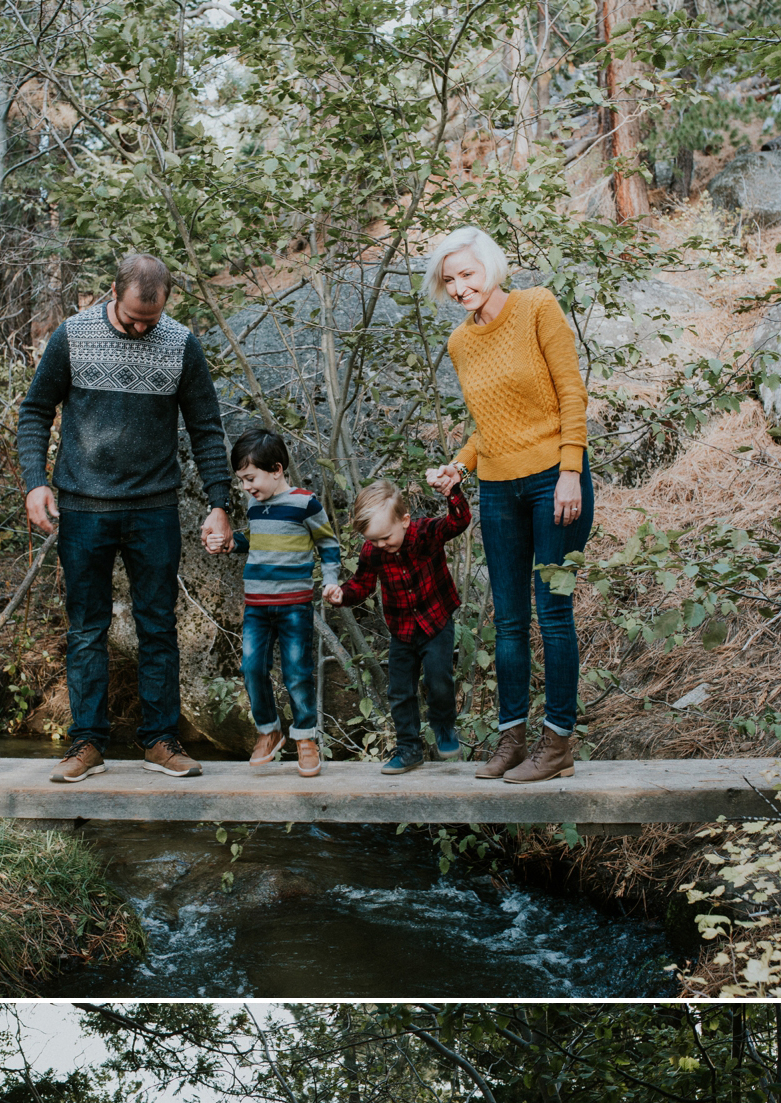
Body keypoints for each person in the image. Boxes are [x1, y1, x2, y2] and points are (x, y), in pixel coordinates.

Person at [16, 248, 233, 782]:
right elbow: (35, 411)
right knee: (87, 628)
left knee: (157, 626)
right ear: (112, 293)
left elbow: (206, 427)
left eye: (151, 319)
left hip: (153, 508)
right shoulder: (73, 335)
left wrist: (220, 503)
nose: (141, 328)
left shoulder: (181, 344)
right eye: (135, 317)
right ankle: (86, 744)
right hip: (83, 508)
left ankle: (160, 740)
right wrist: (35, 483)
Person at [420, 224, 593, 787]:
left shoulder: (537, 306)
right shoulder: (460, 343)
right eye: (450, 280)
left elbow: (571, 392)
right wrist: (460, 464)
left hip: (553, 482)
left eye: (467, 273)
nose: (461, 286)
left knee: (553, 613)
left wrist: (571, 471)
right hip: (497, 487)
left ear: (491, 266)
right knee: (509, 621)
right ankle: (512, 740)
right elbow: (487, 423)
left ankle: (558, 743)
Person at [332, 476, 472, 772]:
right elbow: (362, 585)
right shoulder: (373, 552)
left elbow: (458, 522)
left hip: (436, 622)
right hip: (403, 631)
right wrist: (341, 594)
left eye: (386, 537)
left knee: (438, 679)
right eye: (374, 540)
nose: (382, 545)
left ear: (405, 520)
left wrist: (453, 492)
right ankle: (409, 748)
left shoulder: (425, 533)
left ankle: (444, 726)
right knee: (399, 691)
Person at [231, 424, 340, 776]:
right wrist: (233, 542)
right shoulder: (254, 504)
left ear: (276, 470)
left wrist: (331, 579)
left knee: (296, 673)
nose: (247, 487)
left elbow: (328, 544)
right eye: (242, 480)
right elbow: (258, 539)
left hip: (294, 605)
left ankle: (305, 739)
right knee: (252, 668)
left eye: (251, 478)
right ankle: (269, 729)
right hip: (257, 607)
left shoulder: (305, 503)